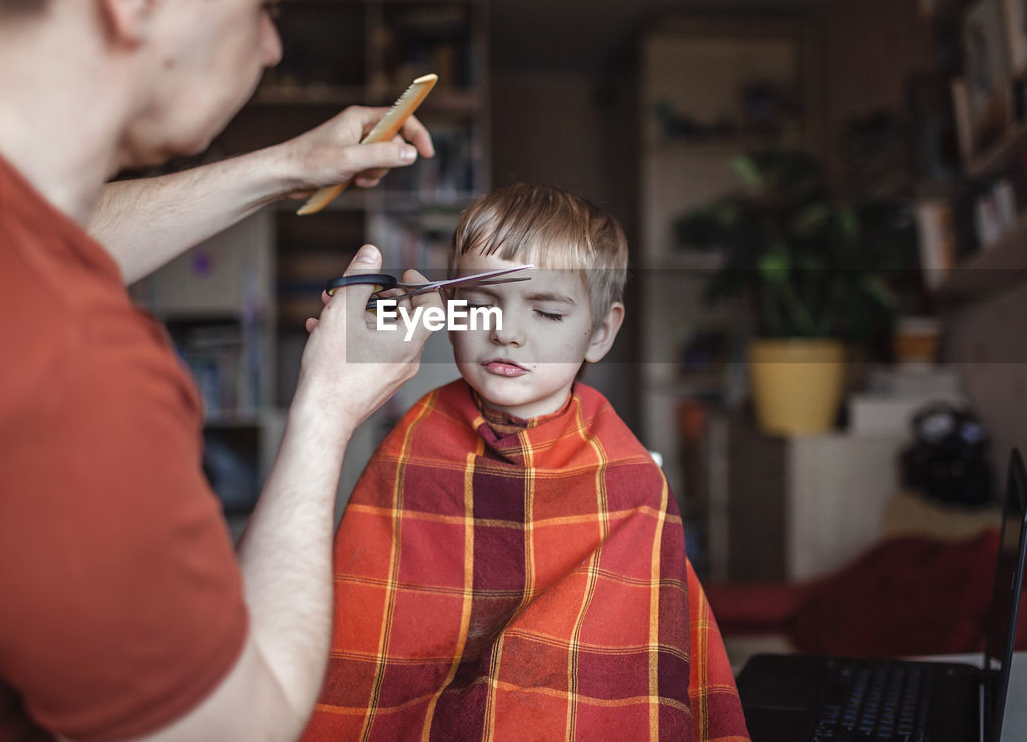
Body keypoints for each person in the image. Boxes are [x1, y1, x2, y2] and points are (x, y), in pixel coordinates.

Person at [0, 0, 442, 740]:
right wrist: (327, 407)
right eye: (266, 3)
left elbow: (30, 236)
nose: (269, 45)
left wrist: (284, 167)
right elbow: (239, 724)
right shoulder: (63, 373)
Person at [307, 184, 751, 740]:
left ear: (600, 332)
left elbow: (617, 662)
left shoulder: (627, 476)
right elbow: (368, 627)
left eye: (545, 312)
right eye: (480, 305)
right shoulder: (417, 435)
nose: (507, 333)